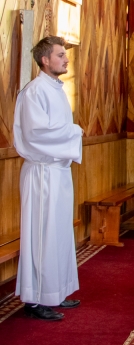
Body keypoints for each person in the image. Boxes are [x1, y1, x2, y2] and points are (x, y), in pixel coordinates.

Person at [13, 36, 83, 321]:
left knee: (59, 234)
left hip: (58, 173)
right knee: (42, 235)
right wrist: (75, 131)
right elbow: (36, 133)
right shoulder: (34, 91)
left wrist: (71, 132)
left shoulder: (55, 89)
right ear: (45, 60)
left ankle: (55, 291)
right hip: (42, 173)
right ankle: (35, 299)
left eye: (65, 55)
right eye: (60, 55)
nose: (66, 59)